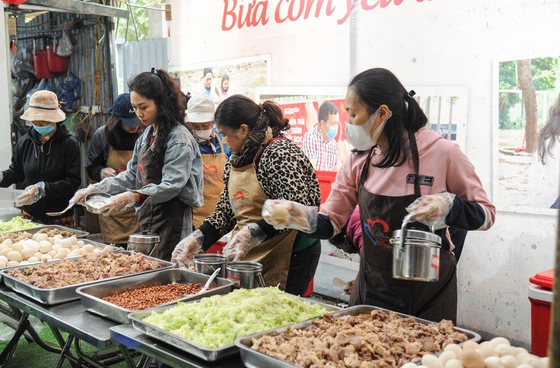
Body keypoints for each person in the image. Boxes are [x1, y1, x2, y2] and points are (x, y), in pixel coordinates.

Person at [263, 68, 496, 323]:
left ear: (382, 113)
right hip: (372, 289)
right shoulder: (359, 160)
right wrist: (297, 217)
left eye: (353, 114)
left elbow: (486, 215)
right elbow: (332, 222)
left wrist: (449, 206)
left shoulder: (443, 153)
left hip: (427, 295)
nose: (349, 123)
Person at [172, 95, 322, 295]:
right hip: (253, 250)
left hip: (293, 252)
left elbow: (297, 211)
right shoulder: (237, 158)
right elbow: (226, 210)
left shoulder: (279, 153)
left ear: (243, 130)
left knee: (280, 312)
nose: (223, 140)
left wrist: (253, 231)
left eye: (225, 134)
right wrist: (199, 238)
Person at [70, 68, 204, 262]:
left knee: (170, 271)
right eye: (135, 108)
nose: (138, 114)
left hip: (172, 221)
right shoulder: (147, 135)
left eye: (143, 107)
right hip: (148, 219)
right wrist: (95, 188)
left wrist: (132, 196)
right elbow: (131, 174)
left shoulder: (178, 138)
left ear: (161, 103)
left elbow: (172, 185)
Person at [0, 90, 82, 226]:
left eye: (43, 122)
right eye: (35, 122)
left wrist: (43, 188)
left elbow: (73, 182)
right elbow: (16, 172)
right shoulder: (25, 142)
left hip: (59, 216)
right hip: (30, 216)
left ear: (54, 120)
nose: (38, 125)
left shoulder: (69, 144)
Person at [85, 93, 142, 245]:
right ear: (116, 119)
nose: (134, 126)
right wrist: (102, 172)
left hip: (139, 205)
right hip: (112, 209)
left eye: (136, 120)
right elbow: (92, 167)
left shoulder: (144, 134)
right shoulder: (103, 136)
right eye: (128, 122)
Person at [184, 93, 231, 228]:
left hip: (221, 216)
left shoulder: (223, 143)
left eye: (205, 125)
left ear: (213, 122)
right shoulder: (185, 145)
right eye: (196, 126)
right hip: (194, 219)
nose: (201, 130)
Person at [302, 100, 342, 171]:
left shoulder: (334, 144)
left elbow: (336, 169)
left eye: (337, 123)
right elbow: (311, 170)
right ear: (322, 123)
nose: (336, 127)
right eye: (333, 124)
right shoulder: (310, 138)